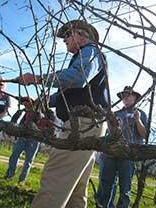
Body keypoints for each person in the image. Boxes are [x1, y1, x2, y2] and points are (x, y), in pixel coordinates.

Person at [17, 20, 110, 208]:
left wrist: (38, 78)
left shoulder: (90, 51)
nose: (64, 40)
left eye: (68, 35)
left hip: (83, 125)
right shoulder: (84, 56)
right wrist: (39, 103)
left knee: (55, 179)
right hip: (89, 125)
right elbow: (65, 93)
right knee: (76, 190)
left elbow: (77, 77)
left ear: (81, 35)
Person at [101, 86, 147, 208]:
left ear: (135, 97)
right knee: (106, 186)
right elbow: (111, 133)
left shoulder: (140, 113)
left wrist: (138, 120)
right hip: (111, 153)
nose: (125, 97)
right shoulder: (116, 114)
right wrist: (112, 123)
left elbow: (144, 134)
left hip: (128, 155)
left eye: (129, 95)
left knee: (125, 189)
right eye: (123, 95)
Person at [5, 98, 41, 185]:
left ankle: (22, 180)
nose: (25, 105)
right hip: (22, 137)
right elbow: (16, 120)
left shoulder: (41, 113)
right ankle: (9, 175)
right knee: (14, 156)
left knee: (28, 161)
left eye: (27, 103)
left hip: (34, 140)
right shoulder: (22, 112)